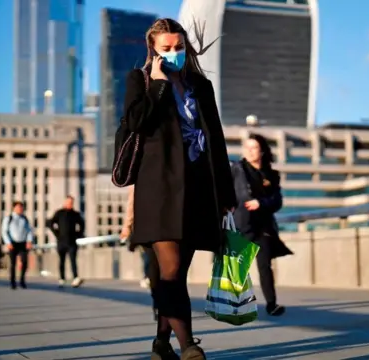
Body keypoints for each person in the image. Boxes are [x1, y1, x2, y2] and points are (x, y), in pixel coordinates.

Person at [117, 18, 237, 359]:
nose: (173, 54)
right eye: (166, 49)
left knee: (175, 273)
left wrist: (226, 196)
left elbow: (216, 139)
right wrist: (157, 85)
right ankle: (188, 346)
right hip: (157, 190)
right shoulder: (139, 80)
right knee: (169, 271)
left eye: (179, 48)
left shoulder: (200, 86)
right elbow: (136, 122)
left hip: (198, 188)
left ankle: (160, 344)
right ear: (153, 49)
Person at [232, 134, 293, 316]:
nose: (249, 151)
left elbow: (277, 200)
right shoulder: (237, 169)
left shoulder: (272, 175)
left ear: (263, 151)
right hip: (242, 223)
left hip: (263, 226)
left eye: (254, 147)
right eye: (247, 148)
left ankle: (271, 304)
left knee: (265, 265)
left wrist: (261, 203)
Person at [120, 185, 159, 321]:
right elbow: (132, 205)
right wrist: (127, 227)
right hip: (148, 229)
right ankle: (158, 305)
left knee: (167, 270)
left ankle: (162, 305)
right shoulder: (139, 180)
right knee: (154, 268)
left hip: (168, 227)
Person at [48, 196, 85, 288]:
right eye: (68, 202)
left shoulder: (75, 214)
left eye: (71, 202)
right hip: (61, 241)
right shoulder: (59, 213)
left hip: (72, 241)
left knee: (73, 260)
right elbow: (50, 223)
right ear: (65, 202)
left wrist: (78, 234)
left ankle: (76, 278)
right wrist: (57, 233)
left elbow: (82, 224)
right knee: (62, 261)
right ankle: (62, 279)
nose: (70, 204)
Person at [1, 201, 34, 289]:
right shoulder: (9, 218)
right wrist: (8, 242)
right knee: (13, 263)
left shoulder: (24, 218)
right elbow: (4, 231)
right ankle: (13, 282)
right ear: (14, 208)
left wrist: (29, 241)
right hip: (13, 243)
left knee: (24, 262)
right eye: (18, 207)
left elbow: (29, 231)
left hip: (23, 243)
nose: (20, 209)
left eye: (21, 207)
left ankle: (22, 281)